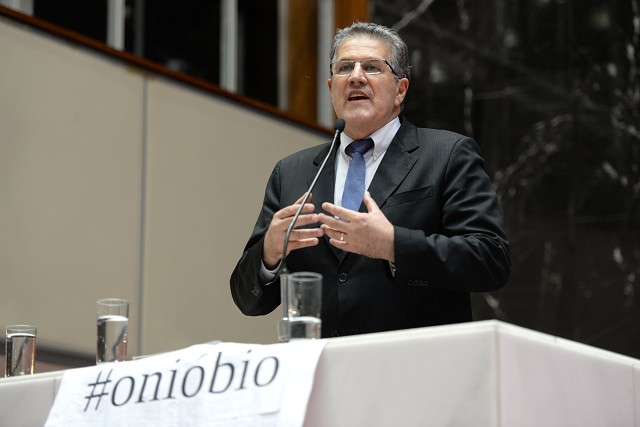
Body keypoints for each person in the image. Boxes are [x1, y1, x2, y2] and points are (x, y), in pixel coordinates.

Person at [230, 22, 510, 338]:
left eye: (372, 67)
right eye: (344, 67)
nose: (355, 76)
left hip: (416, 360)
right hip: (321, 363)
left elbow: (490, 260)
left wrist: (393, 245)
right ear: (331, 88)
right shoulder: (292, 171)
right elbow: (247, 300)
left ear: (400, 90)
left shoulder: (447, 154)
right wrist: (268, 252)